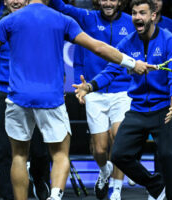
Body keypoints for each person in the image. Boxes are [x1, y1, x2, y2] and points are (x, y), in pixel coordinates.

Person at [0, 0, 155, 199]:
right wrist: (133, 63)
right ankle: (54, 196)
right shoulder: (62, 19)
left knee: (19, 156)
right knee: (60, 155)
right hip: (50, 100)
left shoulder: (9, 21)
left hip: (17, 99)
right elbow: (99, 48)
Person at [73, 0, 172, 199]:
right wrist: (89, 87)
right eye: (134, 13)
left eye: (142, 13)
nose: (137, 18)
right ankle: (155, 184)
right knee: (118, 156)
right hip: (138, 109)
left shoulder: (169, 41)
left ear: (153, 15)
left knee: (167, 156)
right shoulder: (126, 43)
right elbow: (111, 71)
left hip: (163, 109)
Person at [49, 0, 136, 199]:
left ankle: (116, 191)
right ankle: (104, 170)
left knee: (119, 139)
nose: (108, 3)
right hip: (95, 91)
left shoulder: (131, 21)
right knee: (99, 149)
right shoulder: (88, 18)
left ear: (120, 2)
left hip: (123, 91)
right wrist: (84, 88)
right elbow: (61, 7)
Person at [0, 0, 50, 199]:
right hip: (6, 95)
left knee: (39, 151)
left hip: (36, 95)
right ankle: (9, 195)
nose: (16, 1)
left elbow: (50, 59)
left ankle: (39, 181)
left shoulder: (40, 24)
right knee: (5, 151)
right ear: (5, 1)